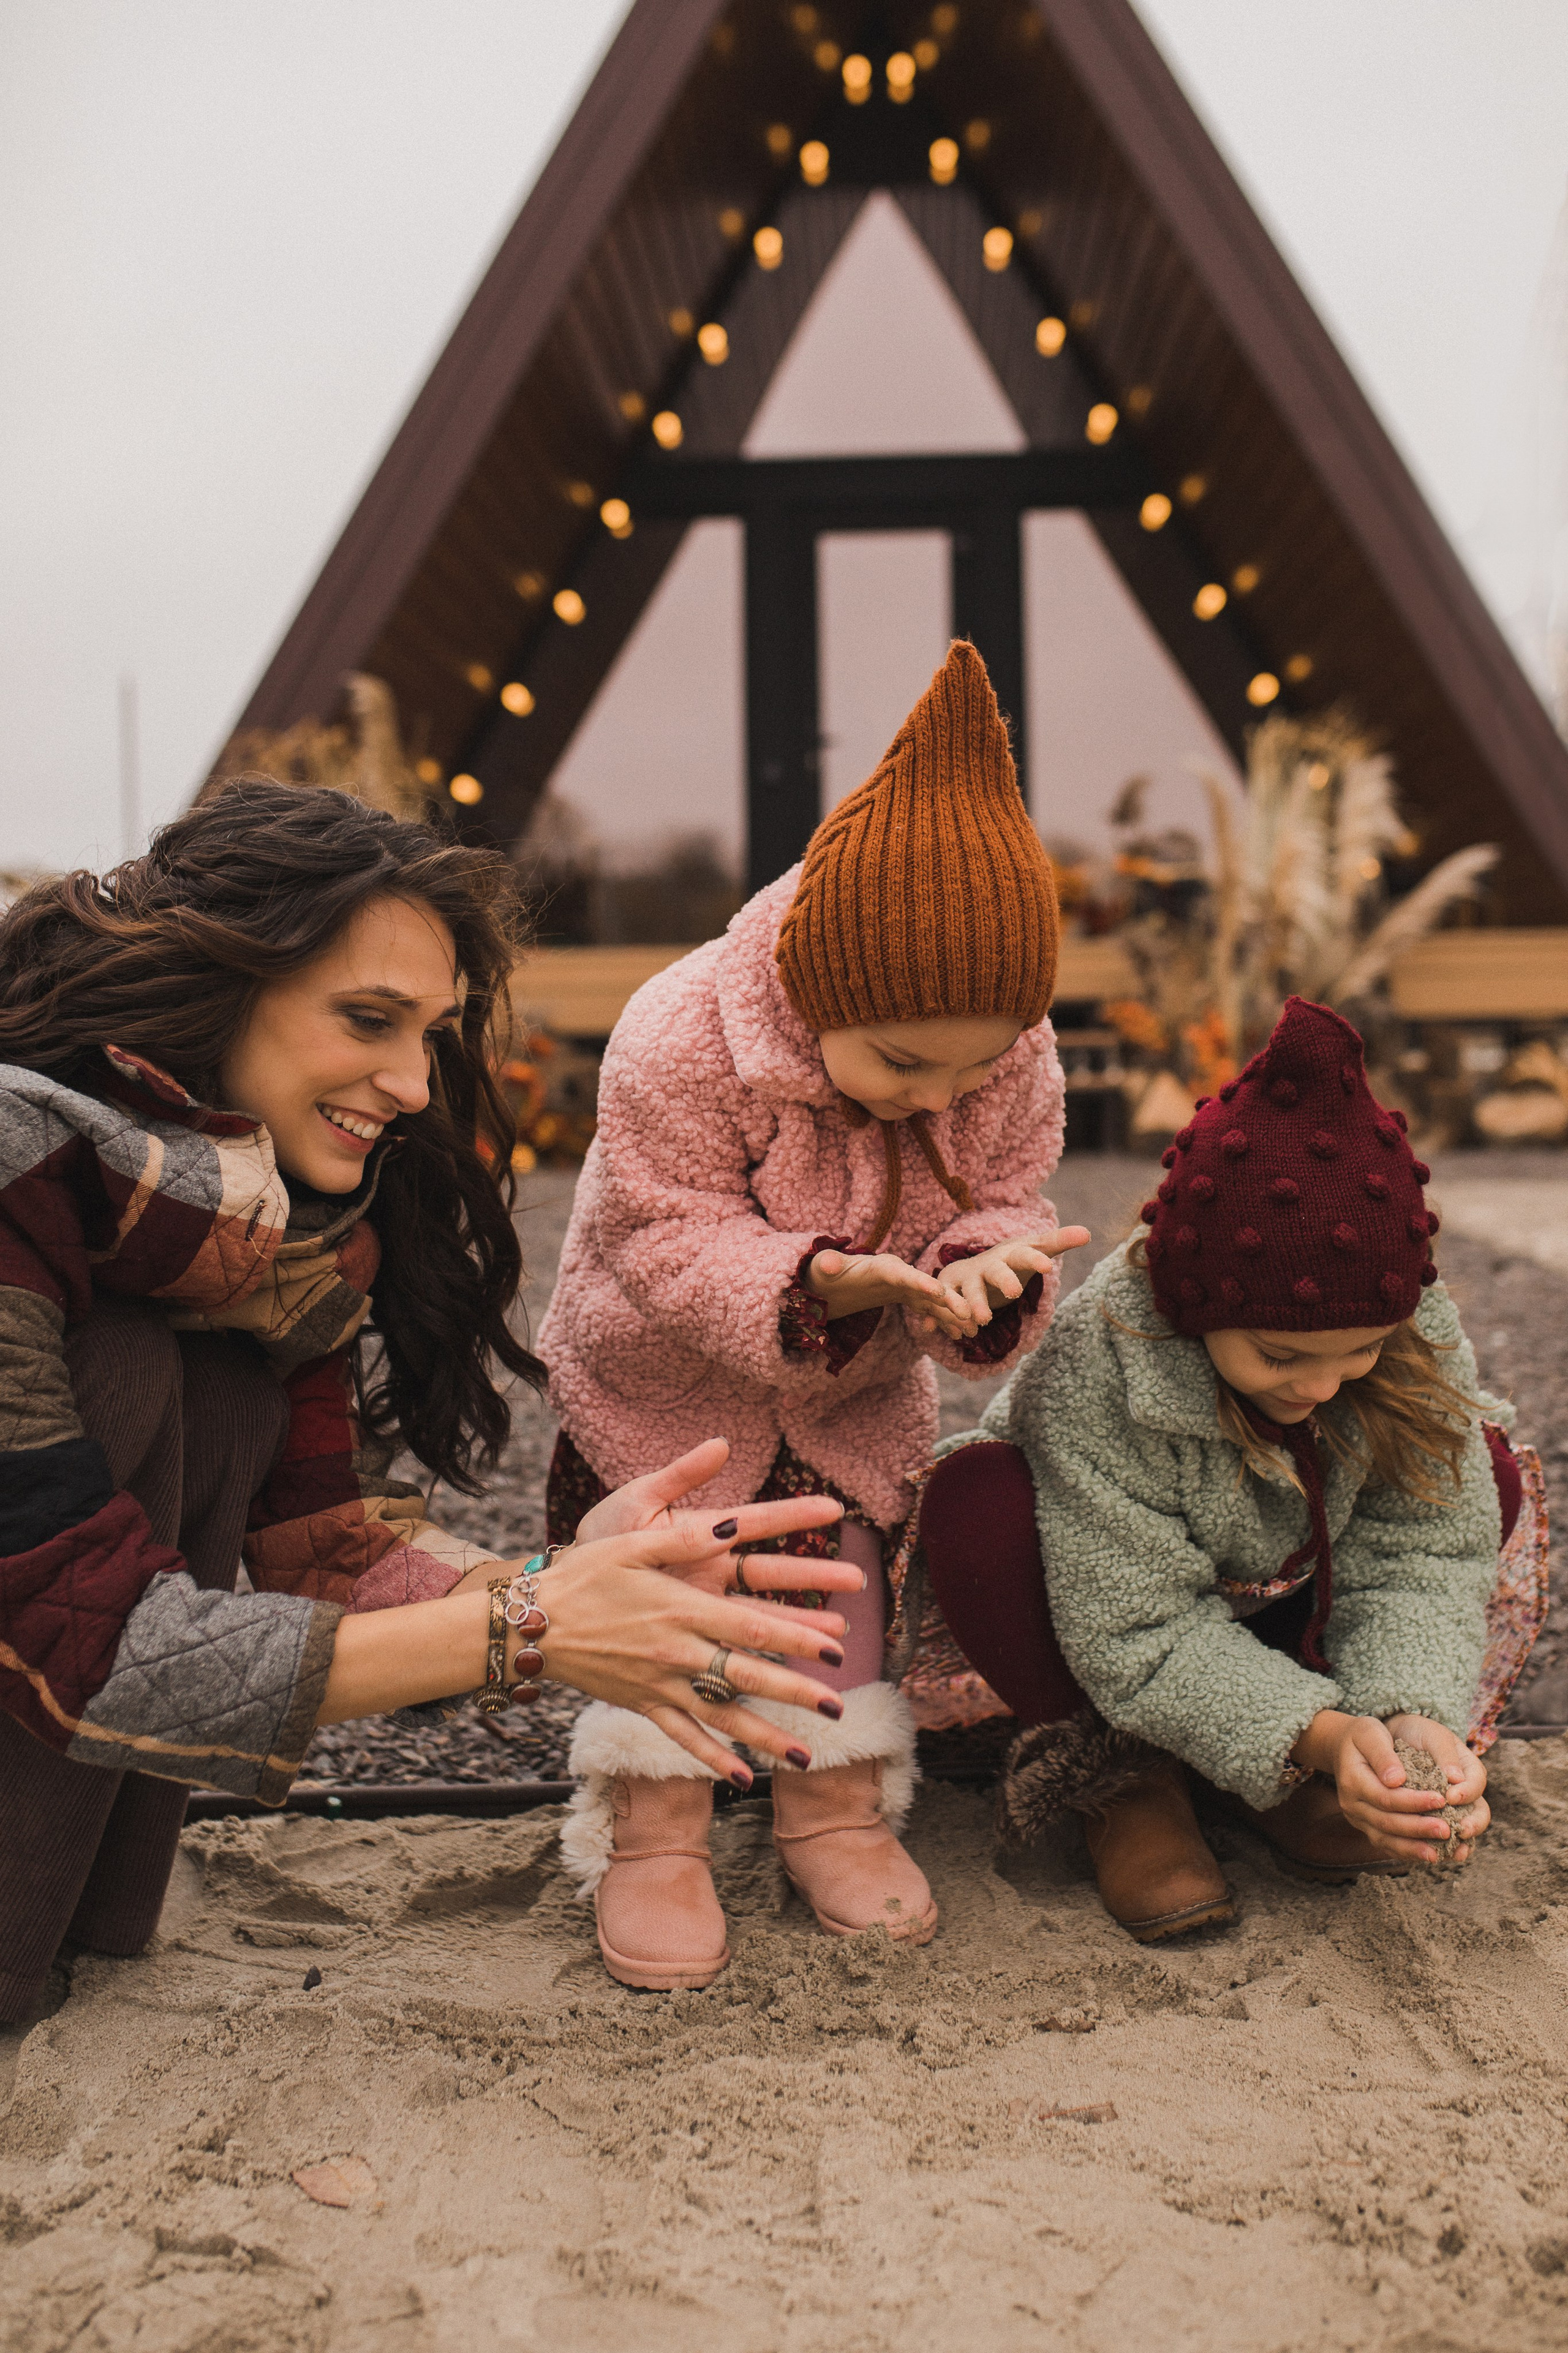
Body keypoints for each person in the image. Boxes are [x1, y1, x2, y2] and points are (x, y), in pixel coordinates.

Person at [0, 780, 862, 2027]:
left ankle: (59, 1918)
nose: (412, 1083)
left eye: (433, 1032)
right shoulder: (20, 1172)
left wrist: (568, 1575)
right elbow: (79, 1635)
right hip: (62, 1658)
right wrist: (532, 1627)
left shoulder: (261, 1237)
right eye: (367, 1018)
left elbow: (323, 1549)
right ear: (219, 985)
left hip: (70, 1796)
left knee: (211, 1384)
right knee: (131, 1371)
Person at [541, 641, 1089, 1989]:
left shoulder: (997, 1048)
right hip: (656, 1384)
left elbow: (1010, 1195)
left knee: (837, 1579)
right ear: (819, 989)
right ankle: (655, 1824)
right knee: (672, 1574)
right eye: (902, 1064)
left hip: (848, 1395)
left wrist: (986, 1270)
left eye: (971, 1066)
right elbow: (656, 1231)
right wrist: (818, 1282)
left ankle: (828, 1799)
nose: (930, 1097)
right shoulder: (678, 1035)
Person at [917, 996, 1547, 1943]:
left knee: (1481, 1470)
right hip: (1106, 1620)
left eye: (1357, 1351)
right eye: (1279, 1357)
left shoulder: (1410, 1333)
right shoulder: (1104, 1358)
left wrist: (1403, 1719)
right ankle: (1125, 1777)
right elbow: (1133, 1626)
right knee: (975, 1505)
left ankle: (1281, 1771)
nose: (1321, 1385)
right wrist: (1326, 1735)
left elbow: (1424, 1553)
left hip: (1283, 1584)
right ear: (1194, 1310)